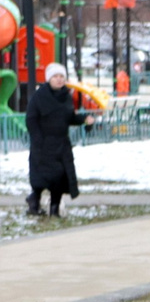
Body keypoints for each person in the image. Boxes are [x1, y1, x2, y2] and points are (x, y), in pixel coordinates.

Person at [25, 62, 87, 216]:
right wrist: (38, 140)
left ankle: (54, 209)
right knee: (41, 178)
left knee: (60, 178)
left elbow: (68, 117)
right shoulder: (39, 97)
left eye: (62, 77)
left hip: (61, 145)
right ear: (49, 79)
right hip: (43, 145)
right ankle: (34, 202)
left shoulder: (66, 96)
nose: (59, 80)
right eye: (55, 76)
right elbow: (31, 119)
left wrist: (83, 119)